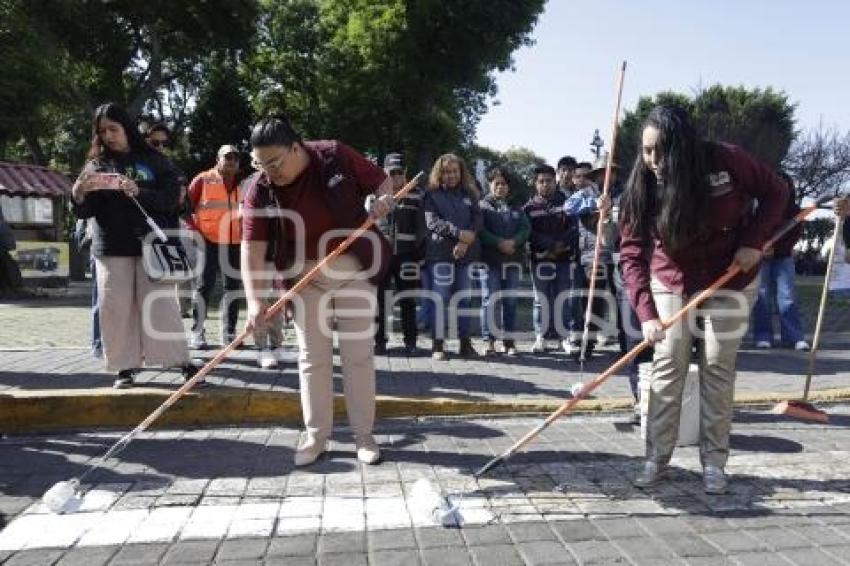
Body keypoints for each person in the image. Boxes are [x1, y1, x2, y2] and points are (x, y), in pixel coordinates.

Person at [619, 105, 789, 494]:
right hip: (672, 277)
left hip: (730, 276)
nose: (653, 161)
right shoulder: (643, 184)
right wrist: (646, 313)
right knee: (668, 359)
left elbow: (777, 191)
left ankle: (715, 463)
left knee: (716, 363)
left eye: (661, 150)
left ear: (685, 146)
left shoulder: (726, 160)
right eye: (646, 151)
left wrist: (753, 241)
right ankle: (655, 460)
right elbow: (630, 254)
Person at [241, 115, 394, 466]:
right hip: (303, 277)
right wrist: (254, 301)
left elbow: (382, 183)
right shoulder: (259, 189)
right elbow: (252, 248)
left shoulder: (335, 155)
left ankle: (364, 436)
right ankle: (316, 436)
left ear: (296, 148)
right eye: (259, 164)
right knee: (313, 358)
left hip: (353, 268)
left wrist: (383, 201)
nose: (268, 171)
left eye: (274, 162)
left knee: (358, 355)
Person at [70, 102, 198, 389]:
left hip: (153, 244)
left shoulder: (154, 159)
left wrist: (140, 191)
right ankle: (124, 367)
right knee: (115, 308)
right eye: (102, 131)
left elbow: (171, 197)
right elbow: (84, 211)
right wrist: (78, 194)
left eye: (113, 129)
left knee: (161, 305)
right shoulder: (96, 165)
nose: (109, 136)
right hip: (111, 247)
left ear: (127, 128)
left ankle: (179, 360)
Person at [422, 153, 482, 360]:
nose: (451, 175)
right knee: (440, 300)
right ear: (439, 173)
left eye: (455, 171)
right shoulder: (431, 194)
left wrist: (466, 241)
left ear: (461, 172)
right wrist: (458, 234)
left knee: (464, 300)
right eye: (446, 172)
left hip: (466, 255)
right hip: (439, 255)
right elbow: (433, 222)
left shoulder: (470, 193)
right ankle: (438, 345)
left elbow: (477, 219)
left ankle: (465, 344)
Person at [367, 153, 426, 356]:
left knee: (407, 300)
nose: (396, 176)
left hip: (407, 256)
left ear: (406, 173)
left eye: (399, 172)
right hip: (381, 256)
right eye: (391, 172)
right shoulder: (374, 196)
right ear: (384, 173)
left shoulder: (417, 194)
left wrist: (418, 256)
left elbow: (421, 229)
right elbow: (367, 226)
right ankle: (379, 342)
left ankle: (411, 342)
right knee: (379, 301)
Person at [187, 144, 245, 349]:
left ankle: (229, 333)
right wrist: (195, 231)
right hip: (208, 241)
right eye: (227, 157)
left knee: (233, 288)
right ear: (218, 160)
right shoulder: (202, 179)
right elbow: (185, 208)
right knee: (204, 286)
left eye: (235, 158)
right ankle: (197, 332)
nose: (231, 161)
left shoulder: (243, 183)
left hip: (234, 243)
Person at [751, 174, 810, 351]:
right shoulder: (760, 207)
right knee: (761, 297)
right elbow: (753, 228)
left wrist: (777, 250)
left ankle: (794, 337)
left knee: (787, 296)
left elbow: (794, 235)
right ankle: (763, 336)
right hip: (761, 257)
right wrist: (759, 247)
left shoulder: (795, 210)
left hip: (783, 258)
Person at [523, 164, 578, 354]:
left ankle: (565, 338)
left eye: (549, 181)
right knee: (541, 300)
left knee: (564, 299)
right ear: (535, 184)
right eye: (541, 181)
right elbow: (529, 233)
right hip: (540, 260)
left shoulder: (568, 203)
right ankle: (541, 337)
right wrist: (549, 246)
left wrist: (559, 245)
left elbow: (573, 228)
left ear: (555, 181)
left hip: (563, 259)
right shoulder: (528, 208)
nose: (545, 184)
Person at [478, 166, 530, 356]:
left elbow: (525, 229)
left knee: (510, 302)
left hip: (513, 261)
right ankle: (489, 341)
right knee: (489, 301)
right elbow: (480, 231)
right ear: (489, 185)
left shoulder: (516, 206)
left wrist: (514, 242)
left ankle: (509, 342)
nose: (501, 187)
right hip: (489, 261)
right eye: (497, 183)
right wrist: (498, 242)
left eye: (504, 184)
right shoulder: (482, 206)